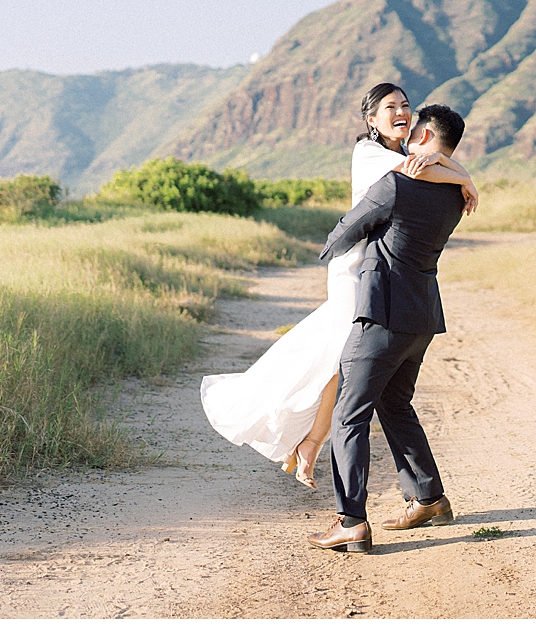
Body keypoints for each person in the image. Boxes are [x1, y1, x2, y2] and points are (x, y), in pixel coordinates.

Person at [199, 84, 477, 487]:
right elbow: (421, 170)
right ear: (371, 119)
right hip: (354, 272)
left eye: (405, 105)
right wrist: (464, 175)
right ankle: (312, 445)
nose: (401, 112)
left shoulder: (400, 155)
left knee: (335, 360)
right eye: (390, 107)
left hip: (374, 274)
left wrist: (453, 170)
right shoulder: (368, 153)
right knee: (341, 363)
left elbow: (423, 167)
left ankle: (310, 444)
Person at [305, 103, 468, 555]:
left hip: (381, 314)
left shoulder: (394, 184)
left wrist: (334, 253)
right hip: (421, 317)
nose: (406, 133)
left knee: (349, 413)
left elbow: (346, 230)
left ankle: (351, 520)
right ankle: (429, 498)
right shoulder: (456, 193)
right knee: (396, 404)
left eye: (413, 129)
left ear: (423, 140)